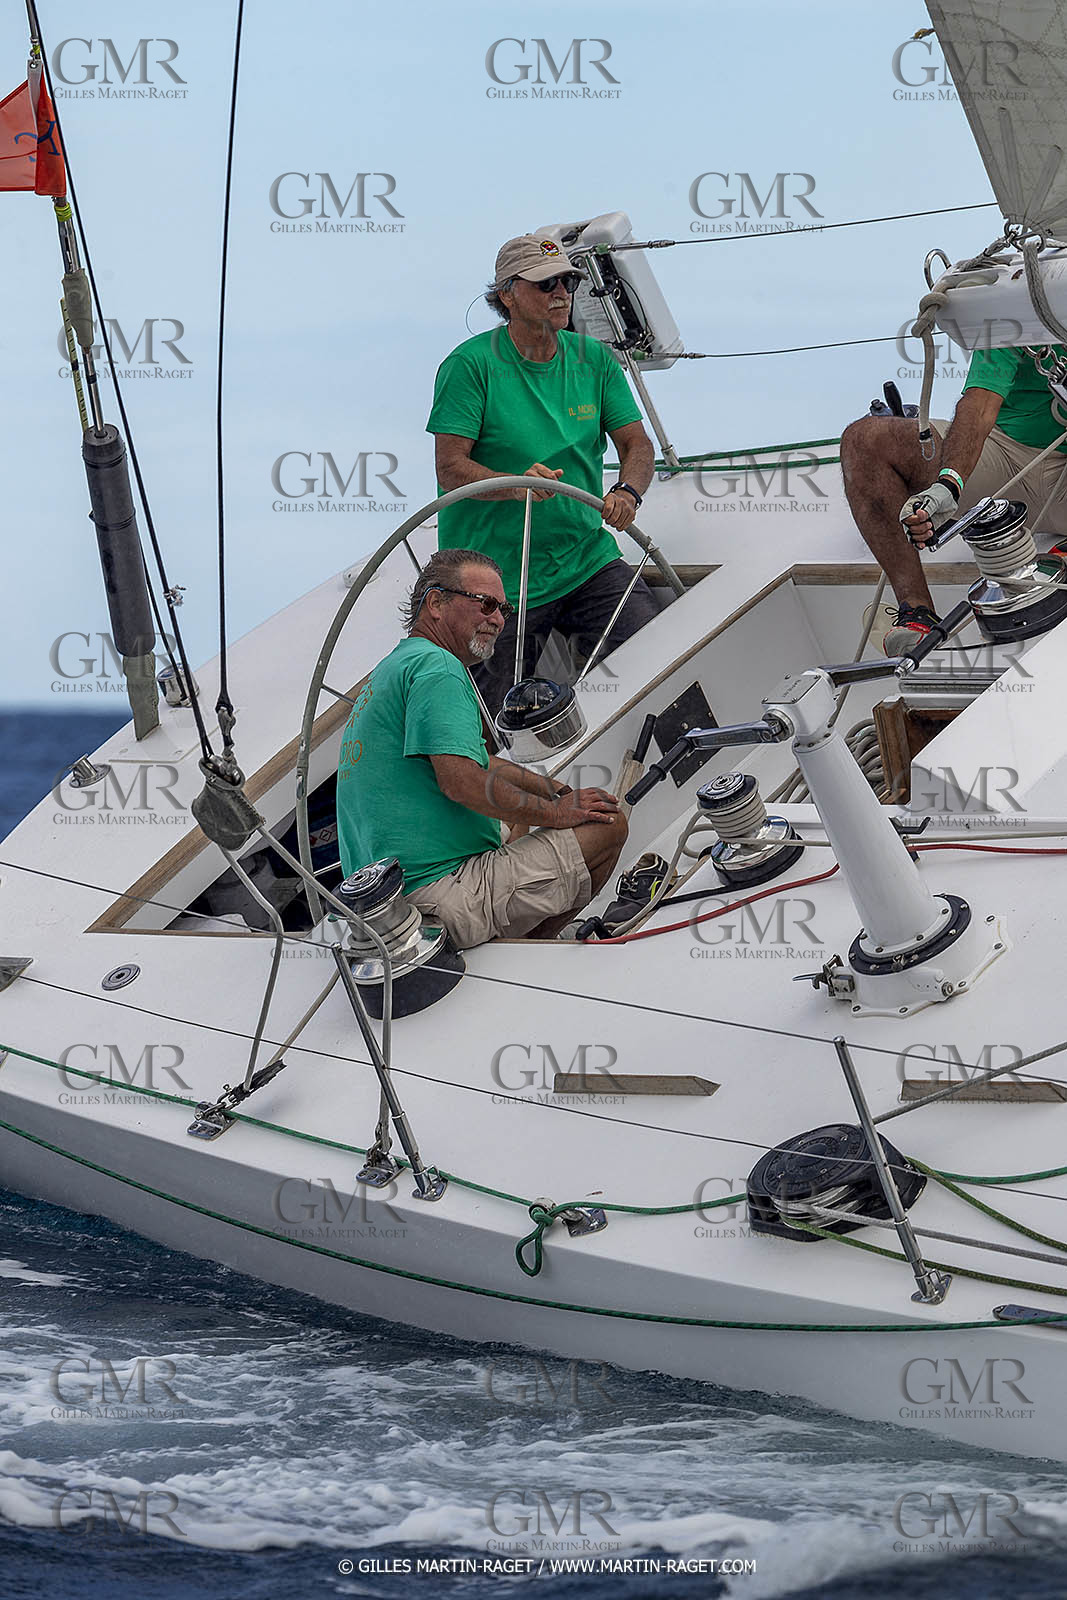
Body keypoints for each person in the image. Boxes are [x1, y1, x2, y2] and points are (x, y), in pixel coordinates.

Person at [335, 548, 629, 949]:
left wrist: (550, 790)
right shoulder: (440, 669)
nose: (497, 619)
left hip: (384, 908)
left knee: (519, 820)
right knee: (607, 826)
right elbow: (460, 781)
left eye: (504, 609)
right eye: (486, 604)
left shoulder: (397, 667)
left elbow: (477, 762)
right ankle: (532, 953)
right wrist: (558, 812)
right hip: (438, 899)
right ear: (436, 603)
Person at [427, 233, 658, 714]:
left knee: (659, 662)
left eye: (569, 281)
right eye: (545, 283)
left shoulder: (593, 360)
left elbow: (637, 444)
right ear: (507, 294)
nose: (562, 292)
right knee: (490, 722)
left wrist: (628, 490)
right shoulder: (469, 367)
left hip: (586, 561)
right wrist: (516, 487)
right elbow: (449, 468)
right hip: (496, 586)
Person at [840, 343, 1067, 655]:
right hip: (1004, 455)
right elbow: (980, 404)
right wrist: (949, 483)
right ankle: (917, 615)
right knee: (864, 441)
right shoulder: (1014, 313)